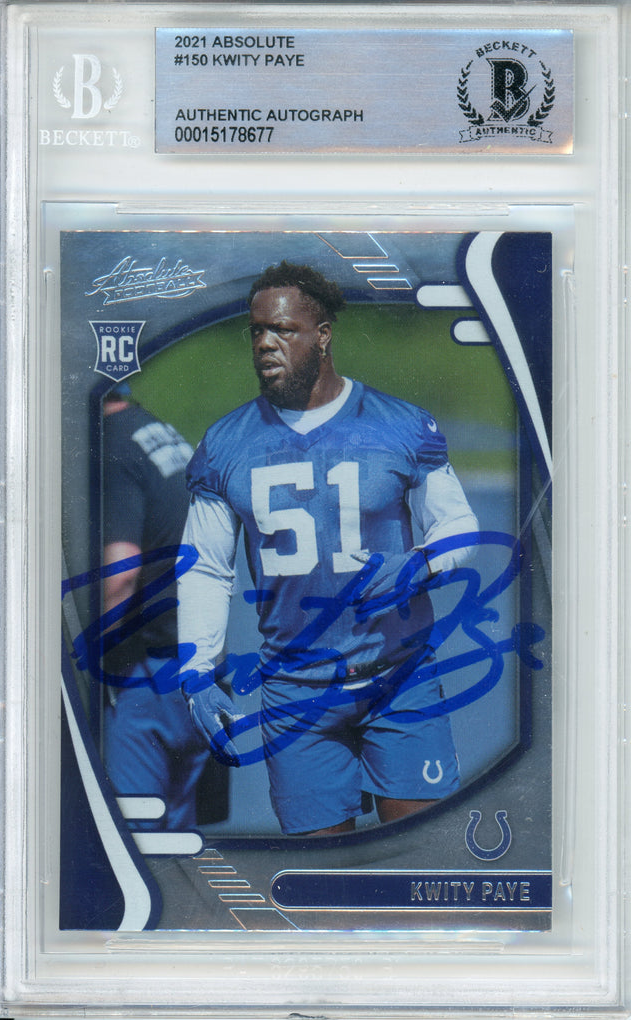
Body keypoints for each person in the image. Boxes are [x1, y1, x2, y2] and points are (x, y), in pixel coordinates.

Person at [178, 261, 479, 836]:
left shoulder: (400, 424)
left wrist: (420, 565)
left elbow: (459, 525)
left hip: (399, 676)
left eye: (283, 329)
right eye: (257, 330)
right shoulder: (224, 444)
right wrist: (196, 671)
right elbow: (206, 569)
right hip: (296, 691)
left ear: (322, 335)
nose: (266, 342)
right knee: (322, 877)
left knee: (419, 860)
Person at [101, 383, 210, 830]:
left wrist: (78, 656)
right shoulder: (159, 431)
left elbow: (120, 575)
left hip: (146, 678)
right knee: (177, 841)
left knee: (133, 841)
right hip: (198, 668)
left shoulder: (112, 445)